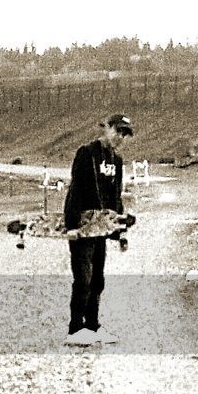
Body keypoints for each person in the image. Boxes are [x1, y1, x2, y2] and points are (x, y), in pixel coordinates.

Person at [63, 113, 133, 346]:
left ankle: (92, 327)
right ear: (108, 128)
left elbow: (115, 198)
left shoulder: (117, 160)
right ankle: (75, 329)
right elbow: (75, 192)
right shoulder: (87, 153)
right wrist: (72, 226)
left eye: (125, 134)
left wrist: (120, 230)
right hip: (83, 227)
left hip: (102, 228)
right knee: (83, 278)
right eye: (118, 131)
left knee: (98, 280)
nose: (121, 137)